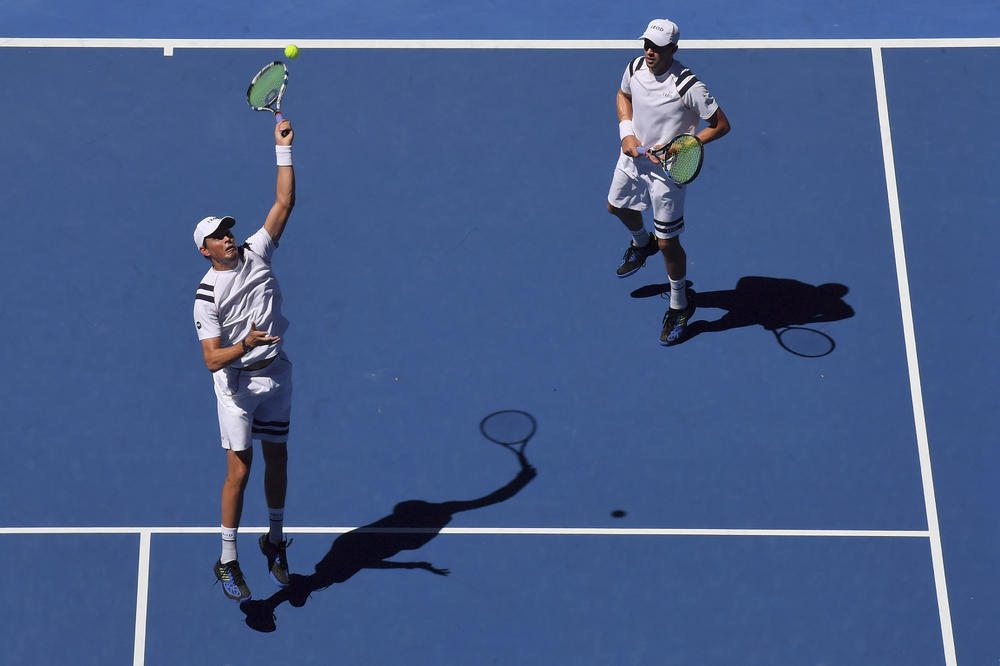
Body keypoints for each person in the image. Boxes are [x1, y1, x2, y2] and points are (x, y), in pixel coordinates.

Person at [192, 117, 296, 601]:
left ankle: (273, 541)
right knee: (240, 470)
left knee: (278, 457)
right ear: (205, 250)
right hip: (235, 387)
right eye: (219, 235)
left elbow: (283, 203)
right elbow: (213, 360)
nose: (229, 237)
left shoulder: (258, 250)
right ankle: (227, 557)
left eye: (229, 231)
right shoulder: (206, 297)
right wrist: (247, 344)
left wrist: (283, 150)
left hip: (275, 375)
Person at [607, 18, 730, 345]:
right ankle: (640, 242)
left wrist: (684, 145)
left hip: (668, 170)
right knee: (616, 207)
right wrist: (627, 133)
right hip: (634, 157)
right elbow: (623, 96)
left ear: (672, 49)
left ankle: (680, 303)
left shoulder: (689, 86)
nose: (649, 51)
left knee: (668, 243)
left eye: (657, 48)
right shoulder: (634, 67)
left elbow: (720, 124)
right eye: (647, 44)